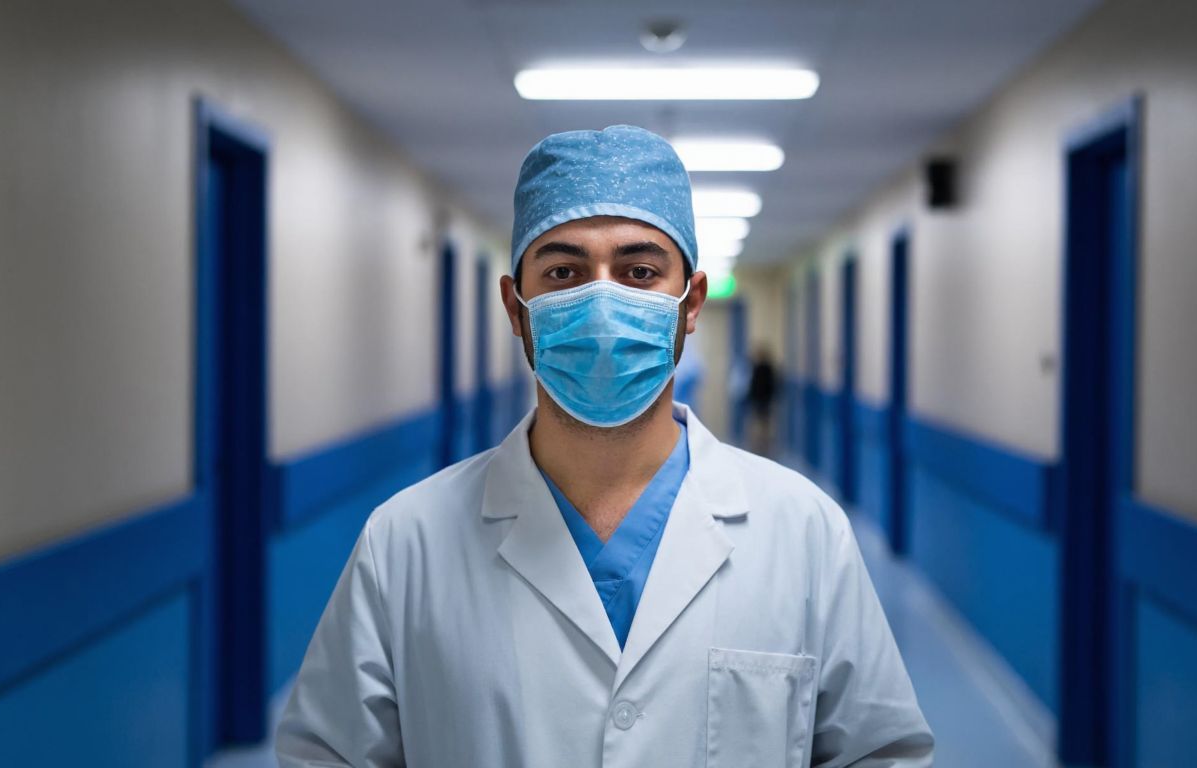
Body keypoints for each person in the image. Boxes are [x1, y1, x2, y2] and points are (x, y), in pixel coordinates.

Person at [275, 124, 934, 767]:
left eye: (640, 270)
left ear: (691, 302)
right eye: (564, 272)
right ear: (516, 307)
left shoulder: (803, 531)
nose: (601, 302)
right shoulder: (403, 545)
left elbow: (879, 751)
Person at [746, 345, 779, 455]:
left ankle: (760, 442)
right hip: (764, 399)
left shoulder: (758, 368)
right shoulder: (767, 368)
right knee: (764, 423)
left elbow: (754, 385)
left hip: (760, 399)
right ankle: (763, 442)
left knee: (760, 422)